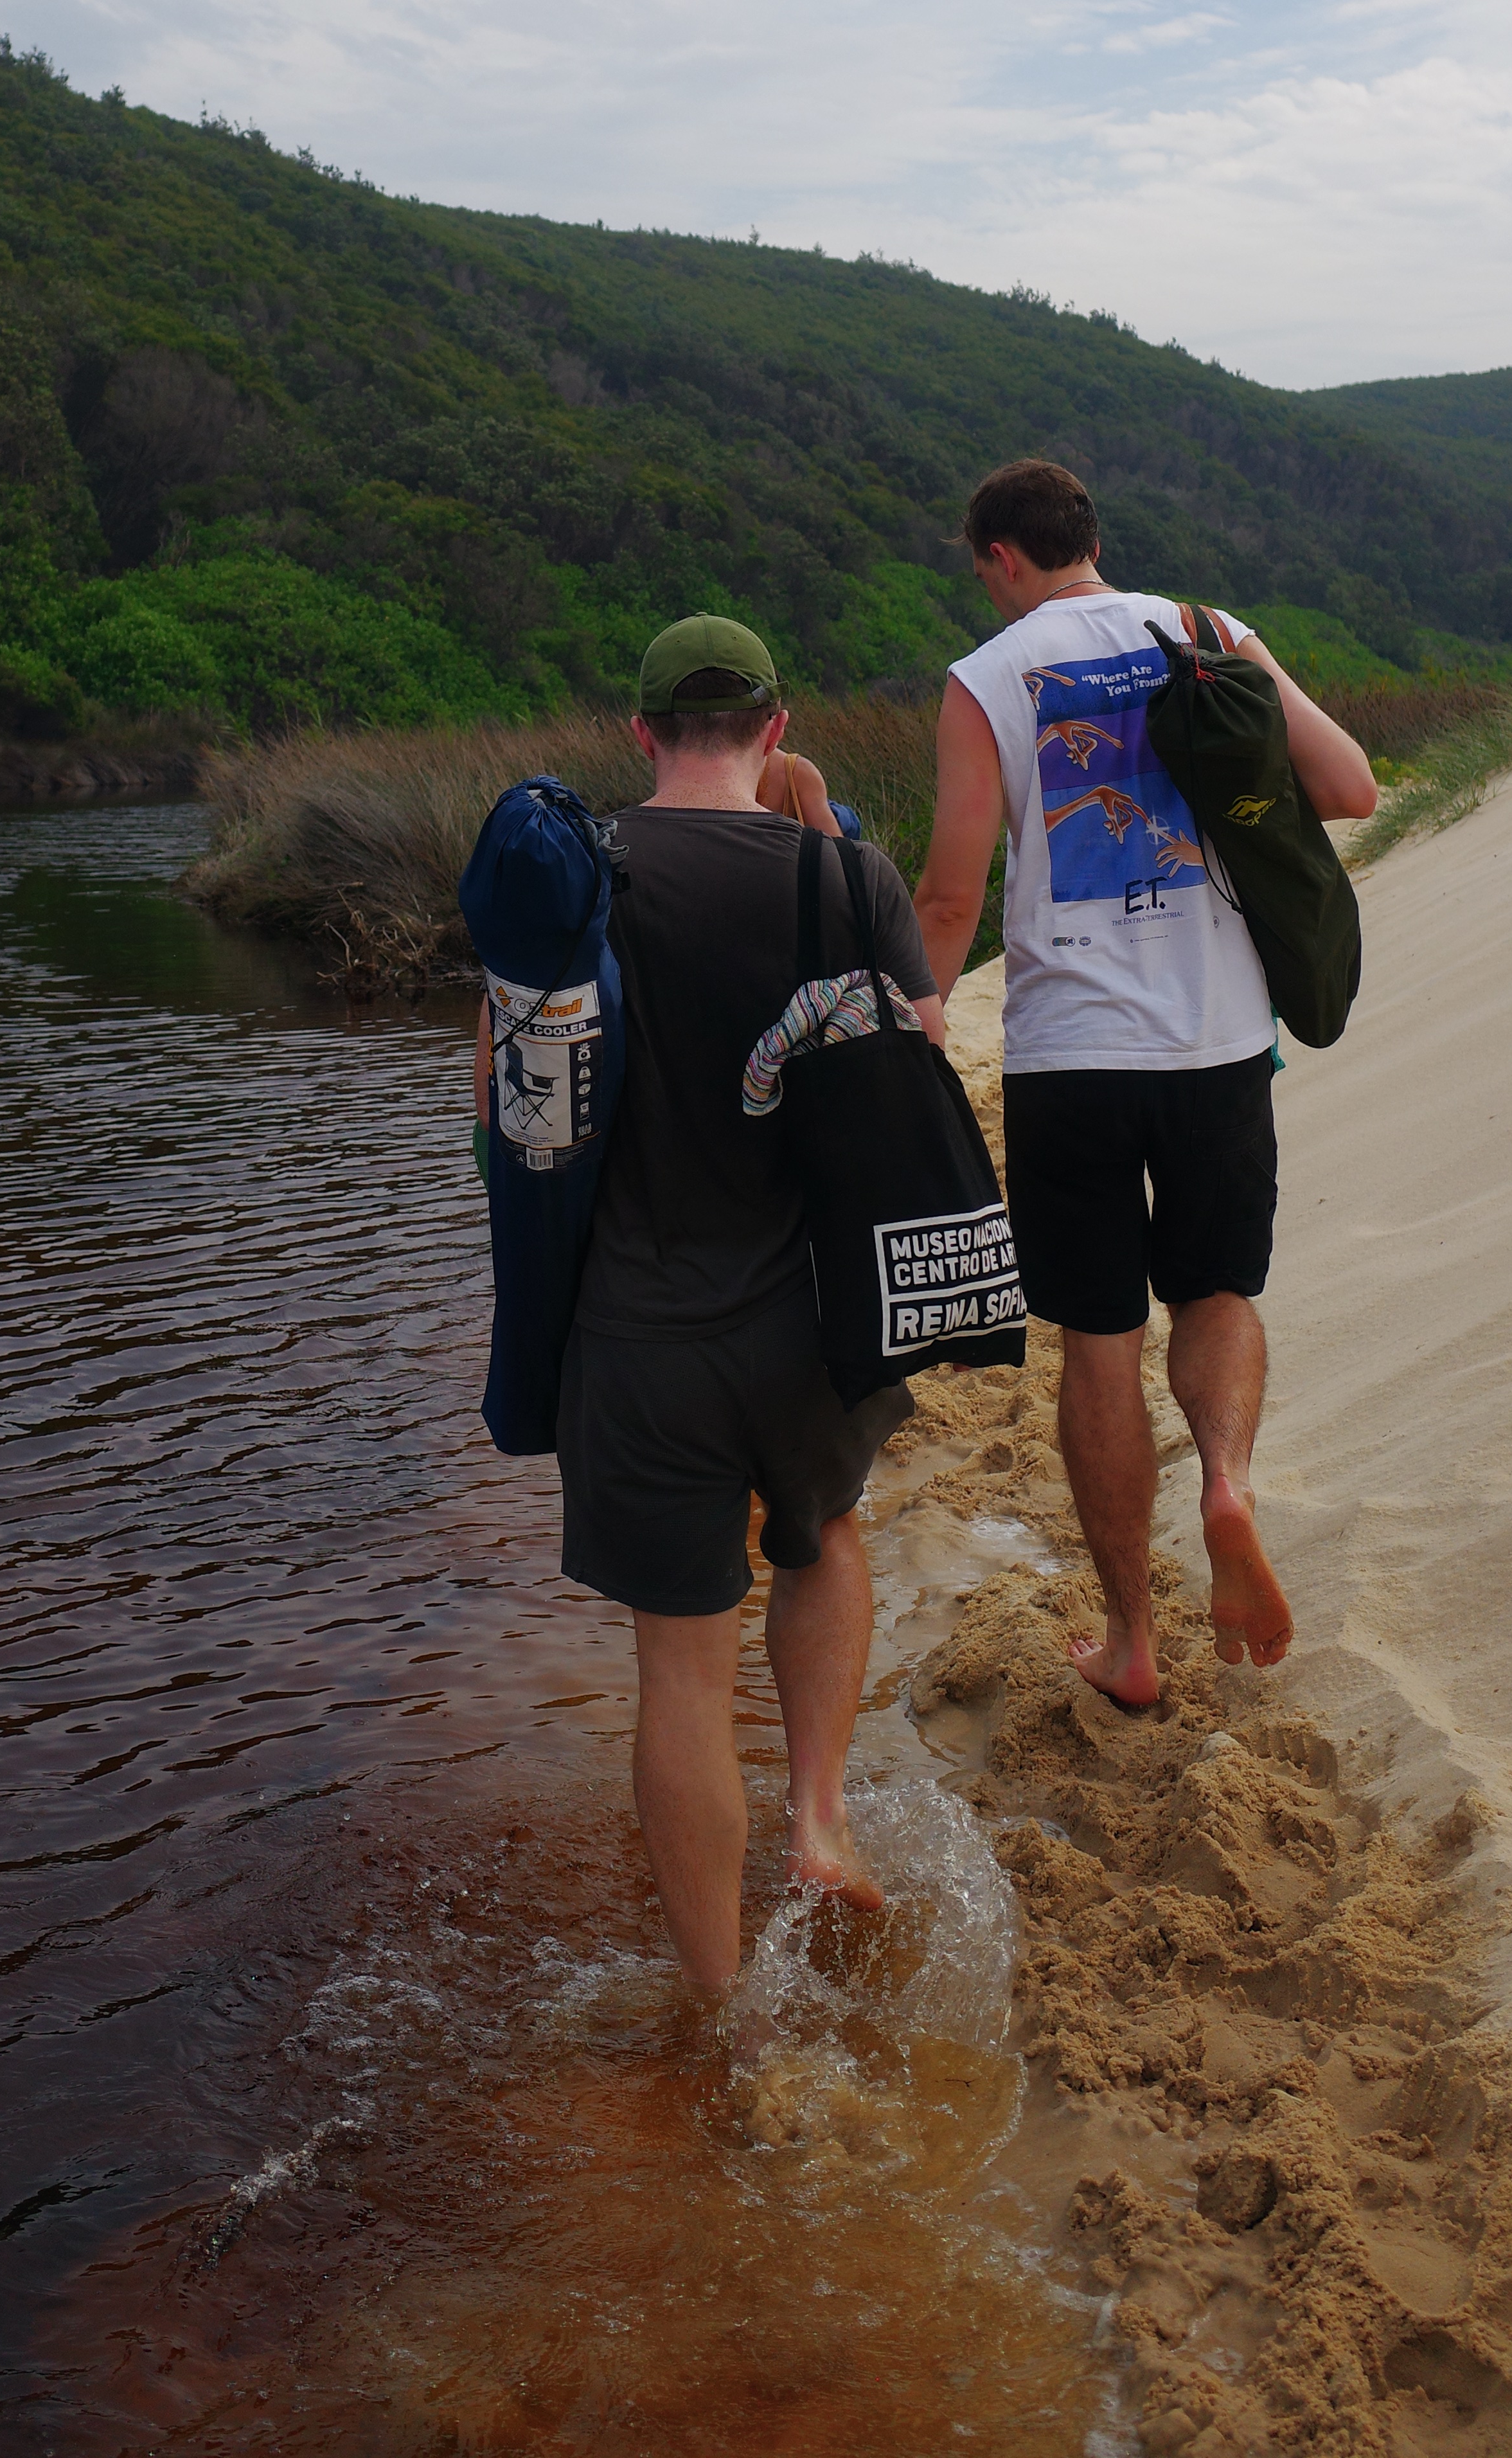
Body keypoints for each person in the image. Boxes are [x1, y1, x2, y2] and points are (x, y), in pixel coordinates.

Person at [909, 459, 1377, 1707]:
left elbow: (952, 892)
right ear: (1089, 541)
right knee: (1218, 1292)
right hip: (1220, 1041)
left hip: (1073, 1057)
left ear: (1001, 558)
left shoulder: (985, 680)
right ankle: (1225, 1479)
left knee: (1100, 1343)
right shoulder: (1209, 634)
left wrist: (921, 1011)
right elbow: (1352, 788)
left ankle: (1131, 1644)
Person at [537, 611, 947, 1995]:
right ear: (775, 731)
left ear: (641, 734)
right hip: (816, 1320)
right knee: (823, 1534)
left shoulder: (577, 883)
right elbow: (919, 1054)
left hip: (643, 1332)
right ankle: (819, 1817)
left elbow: (512, 1104)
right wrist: (825, 830)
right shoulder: (843, 873)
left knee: (679, 1669)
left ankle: (719, 2010)